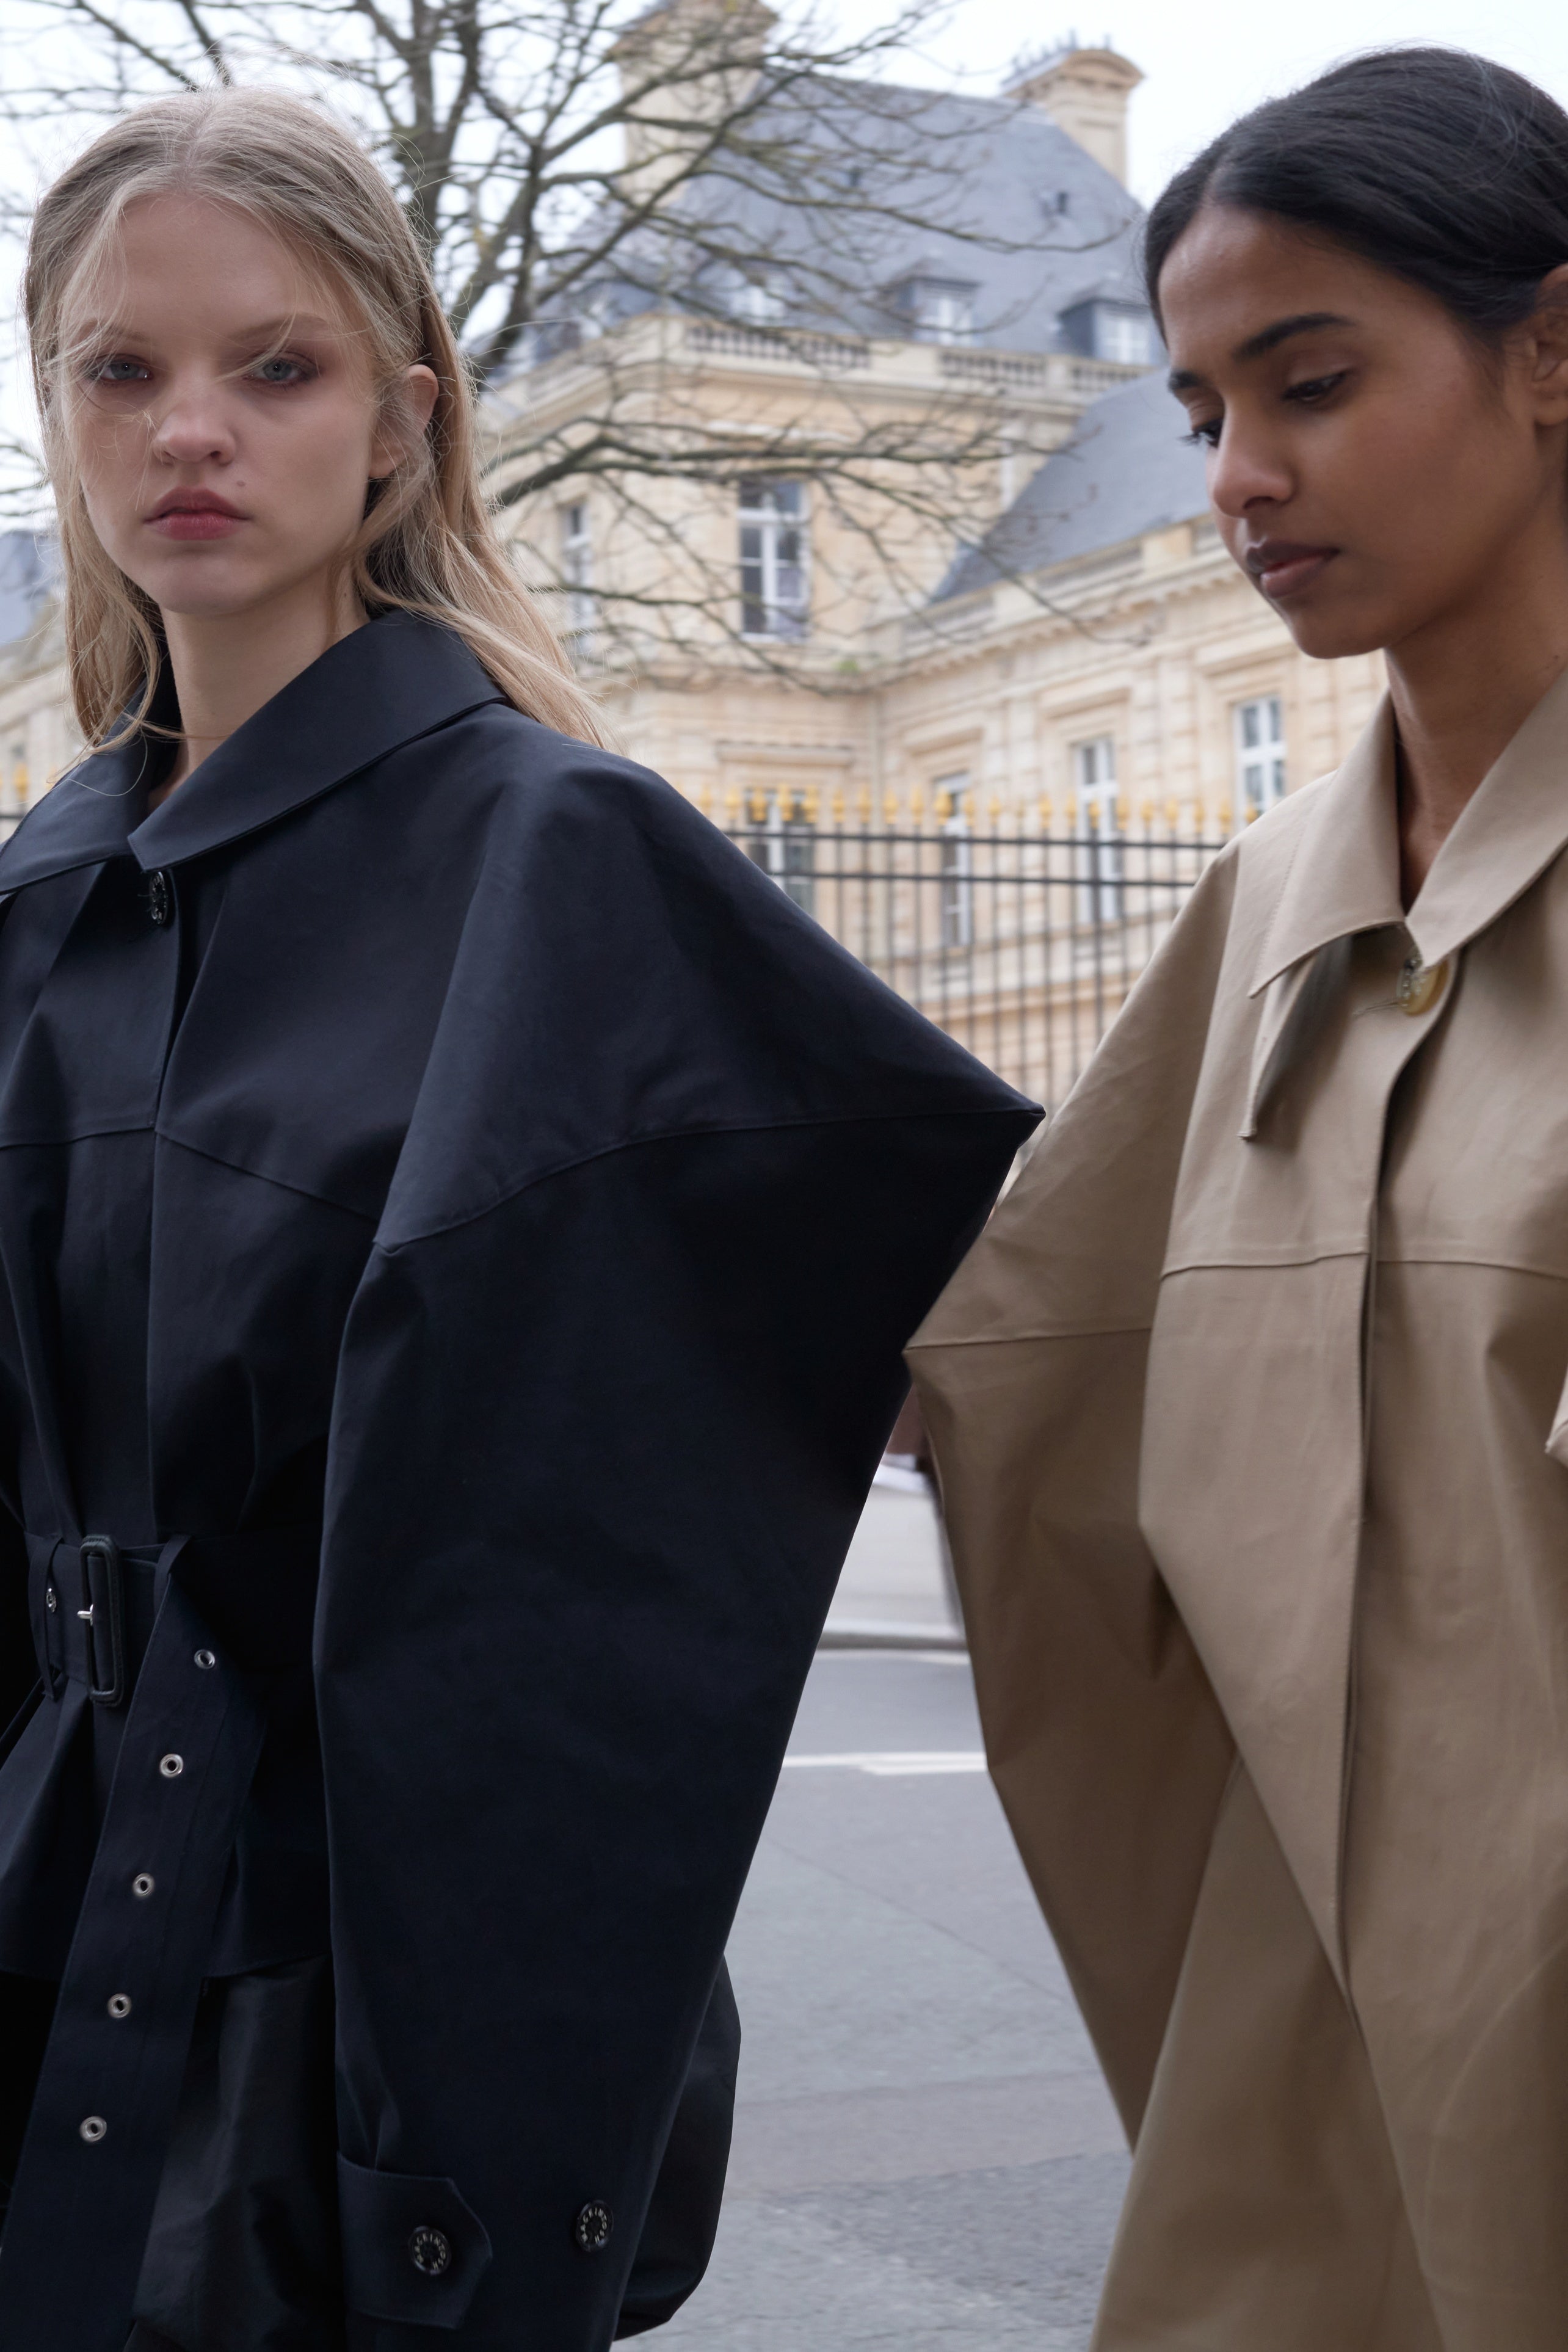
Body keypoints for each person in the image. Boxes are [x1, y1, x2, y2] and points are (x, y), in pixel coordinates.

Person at [0, 89, 1035, 2351]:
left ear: (398, 421)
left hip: (376, 1958)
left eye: (276, 367)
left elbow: (966, 1299)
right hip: (37, 1893)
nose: (193, 427)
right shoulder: (37, 903)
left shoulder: (562, 862)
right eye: (119, 368)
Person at [909, 45, 1568, 2352]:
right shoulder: (1272, 891)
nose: (1239, 477)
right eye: (1198, 410)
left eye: (1309, 380)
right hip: (1305, 2039)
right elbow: (1004, 1360)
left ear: (1552, 351)